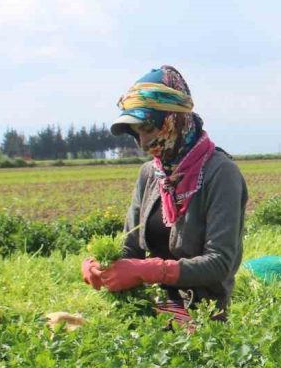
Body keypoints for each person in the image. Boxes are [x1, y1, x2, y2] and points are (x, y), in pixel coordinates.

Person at [81, 65, 248, 321]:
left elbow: (220, 263)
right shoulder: (151, 174)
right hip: (150, 313)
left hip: (202, 320)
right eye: (136, 134)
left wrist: (148, 270)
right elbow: (131, 249)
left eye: (148, 129)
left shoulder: (221, 173)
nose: (143, 143)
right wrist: (102, 266)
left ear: (175, 119)